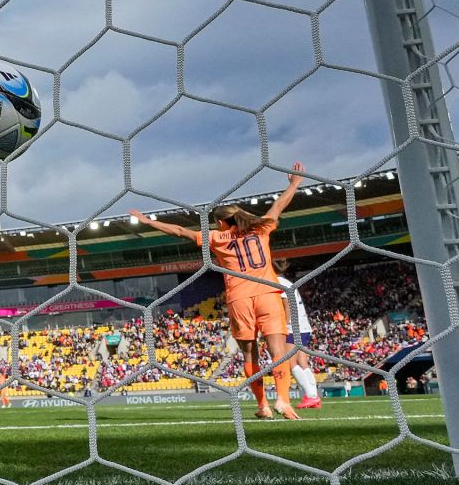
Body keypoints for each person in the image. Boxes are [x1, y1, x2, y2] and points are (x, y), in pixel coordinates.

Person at [131, 161, 305, 419]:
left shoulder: (216, 238)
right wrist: (294, 184)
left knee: (249, 352)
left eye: (216, 223)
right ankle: (283, 400)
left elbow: (180, 231)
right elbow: (279, 205)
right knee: (278, 352)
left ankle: (262, 405)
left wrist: (147, 221)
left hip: (240, 299)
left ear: (222, 223)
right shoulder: (262, 228)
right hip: (269, 294)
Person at [273, 259, 320, 409]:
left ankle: (311, 395)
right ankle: (313, 396)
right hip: (303, 326)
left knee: (290, 363)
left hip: (293, 328)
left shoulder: (278, 283)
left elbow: (288, 306)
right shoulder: (287, 282)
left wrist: (285, 326)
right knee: (303, 363)